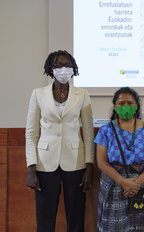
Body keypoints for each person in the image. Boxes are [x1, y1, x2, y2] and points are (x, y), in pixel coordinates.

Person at [25, 50, 95, 232]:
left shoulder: (82, 94)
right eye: (58, 65)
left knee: (76, 218)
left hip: (76, 163)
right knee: (45, 218)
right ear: (50, 69)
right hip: (44, 164)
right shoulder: (38, 94)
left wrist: (89, 165)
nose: (63, 69)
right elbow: (31, 133)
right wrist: (30, 167)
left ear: (73, 69)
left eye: (67, 65)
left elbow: (88, 132)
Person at [94, 87, 144, 231]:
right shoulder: (106, 130)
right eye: (121, 103)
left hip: (141, 185)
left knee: (142, 225)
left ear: (136, 106)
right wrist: (123, 182)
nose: (126, 107)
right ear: (115, 107)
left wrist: (138, 183)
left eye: (130, 103)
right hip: (114, 184)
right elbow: (102, 162)